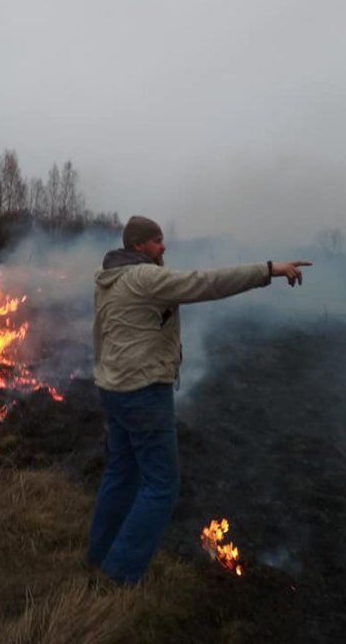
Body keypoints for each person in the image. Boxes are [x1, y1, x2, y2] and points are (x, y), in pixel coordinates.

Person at [87, 215, 312, 586]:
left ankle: (99, 556)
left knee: (121, 474)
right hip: (143, 392)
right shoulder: (145, 278)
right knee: (162, 486)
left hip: (114, 390)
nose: (164, 248)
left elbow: (100, 335)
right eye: (158, 242)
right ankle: (118, 576)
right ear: (139, 246)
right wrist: (269, 269)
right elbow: (206, 283)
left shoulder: (108, 280)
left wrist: (103, 380)